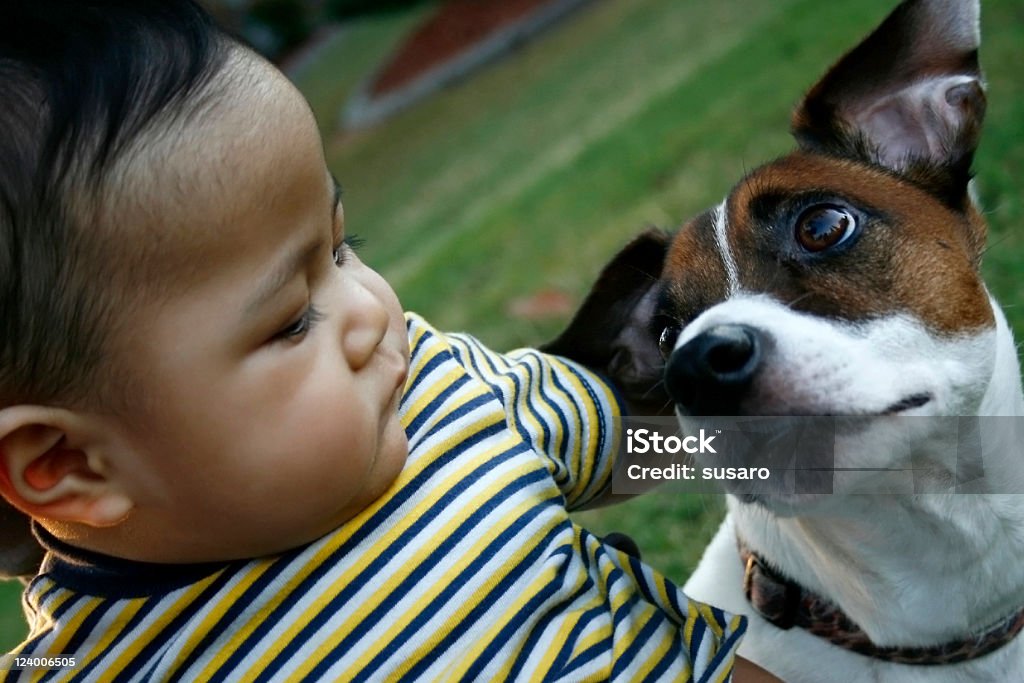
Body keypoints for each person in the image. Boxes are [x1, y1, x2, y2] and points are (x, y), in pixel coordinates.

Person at [0, 2, 777, 680]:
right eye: (292, 321)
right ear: (68, 463)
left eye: (341, 249)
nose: (373, 310)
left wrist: (848, 457)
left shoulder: (447, 396)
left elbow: (650, 446)